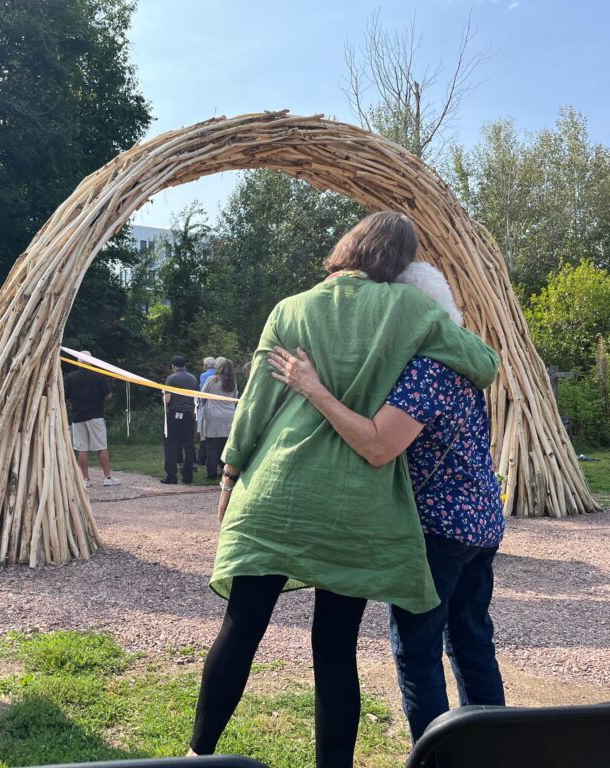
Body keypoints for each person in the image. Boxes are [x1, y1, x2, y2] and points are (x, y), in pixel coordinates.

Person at [189, 212, 499, 768]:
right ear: (402, 263)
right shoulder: (415, 311)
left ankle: (196, 754)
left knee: (241, 627)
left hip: (274, 494)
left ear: (347, 247)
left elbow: (256, 405)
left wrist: (231, 473)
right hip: (355, 506)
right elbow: (482, 363)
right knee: (335, 649)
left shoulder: (290, 310)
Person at [267, 260, 506, 742]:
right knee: (472, 642)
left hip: (437, 530)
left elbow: (378, 444)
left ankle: (436, 756)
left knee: (418, 654)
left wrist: (314, 389)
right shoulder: (463, 363)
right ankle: (493, 752)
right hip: (480, 523)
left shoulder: (425, 370)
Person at [63, 352, 120, 488]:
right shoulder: (99, 376)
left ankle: (86, 479)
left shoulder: (70, 378)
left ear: (78, 361)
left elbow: (65, 395)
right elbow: (108, 395)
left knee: (82, 448)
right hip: (95, 415)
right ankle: (107, 477)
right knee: (101, 446)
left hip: (77, 416)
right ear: (91, 361)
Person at [199, 358, 238, 480]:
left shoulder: (212, 380)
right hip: (229, 416)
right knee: (225, 446)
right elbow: (235, 398)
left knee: (212, 446)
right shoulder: (233, 383)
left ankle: (211, 473)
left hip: (213, 416)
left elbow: (202, 395)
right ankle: (225, 471)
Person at [163, 355, 198, 485]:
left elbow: (167, 399)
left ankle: (171, 476)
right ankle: (188, 476)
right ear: (185, 365)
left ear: (173, 366)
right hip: (189, 414)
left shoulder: (171, 379)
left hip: (175, 414)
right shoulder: (193, 378)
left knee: (171, 444)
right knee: (189, 445)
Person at [197, 356, 218, 465]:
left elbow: (202, 390)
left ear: (205, 365)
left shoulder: (204, 376)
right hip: (219, 405)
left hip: (206, 404)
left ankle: (201, 458)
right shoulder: (220, 375)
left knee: (203, 432)